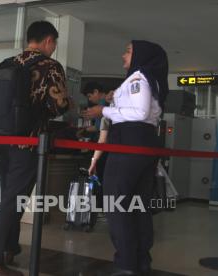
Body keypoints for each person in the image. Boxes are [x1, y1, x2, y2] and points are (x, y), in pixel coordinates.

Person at [0, 21, 69, 276]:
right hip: (26, 141)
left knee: (11, 195)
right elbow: (60, 105)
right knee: (12, 199)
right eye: (55, 43)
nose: (54, 48)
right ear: (48, 41)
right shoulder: (50, 66)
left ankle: (8, 249)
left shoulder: (6, 63)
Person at [83, 40, 168, 275]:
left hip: (129, 142)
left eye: (128, 51)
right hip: (145, 144)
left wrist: (104, 110)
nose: (123, 56)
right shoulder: (150, 79)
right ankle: (140, 261)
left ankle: (126, 264)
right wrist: (115, 99)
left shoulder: (138, 77)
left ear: (141, 55)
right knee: (138, 205)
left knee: (117, 203)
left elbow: (139, 113)